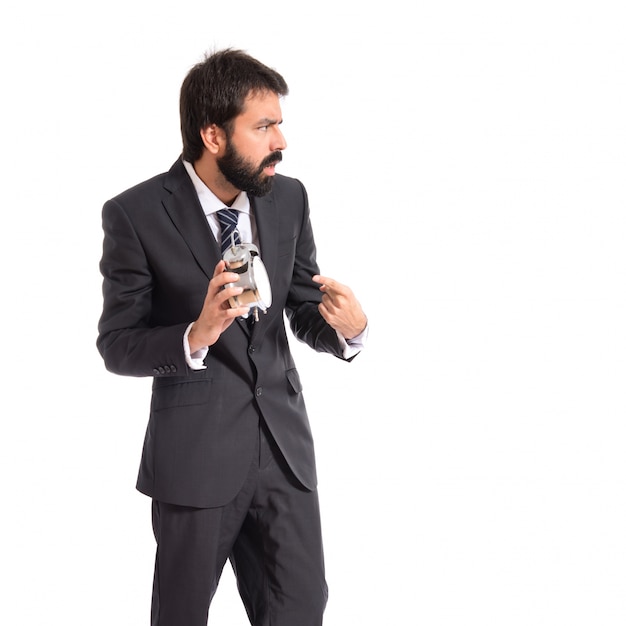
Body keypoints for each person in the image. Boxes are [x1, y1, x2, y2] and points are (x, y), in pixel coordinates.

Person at [97, 48, 367, 626]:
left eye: (280, 124)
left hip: (284, 452)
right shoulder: (135, 214)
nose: (281, 142)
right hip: (195, 457)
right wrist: (195, 334)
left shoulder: (288, 197)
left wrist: (348, 331)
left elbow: (301, 307)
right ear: (213, 135)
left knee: (301, 608)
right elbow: (117, 343)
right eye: (264, 126)